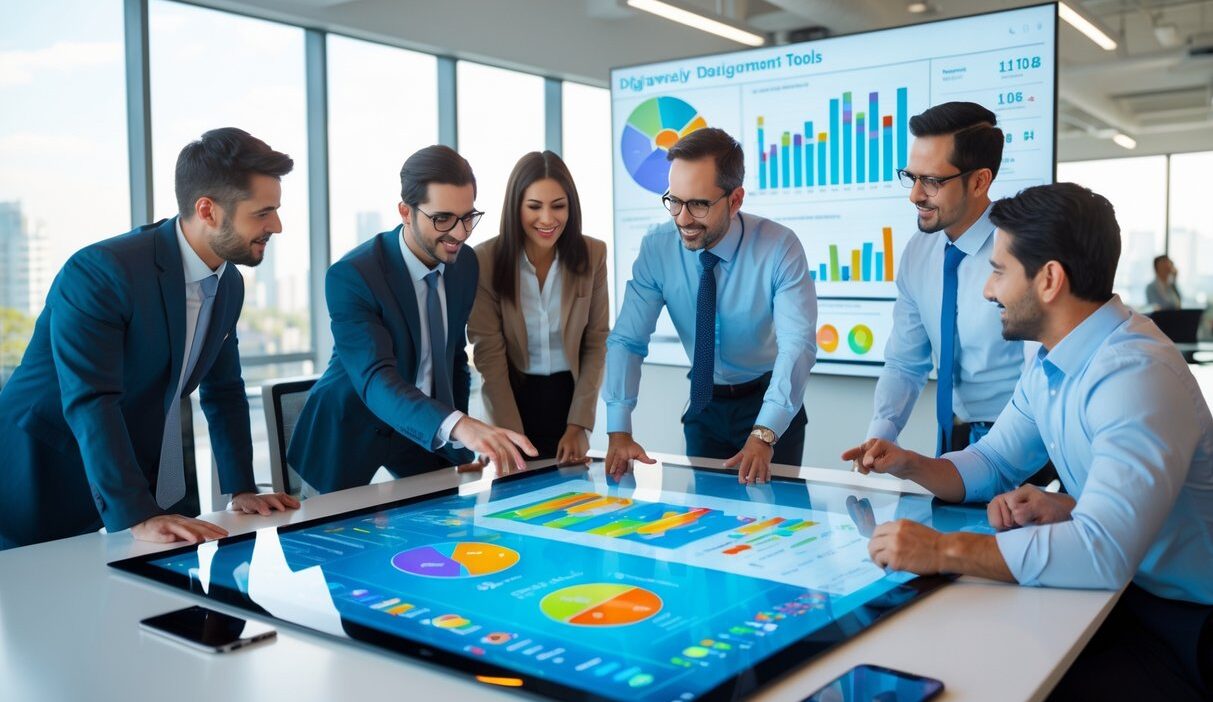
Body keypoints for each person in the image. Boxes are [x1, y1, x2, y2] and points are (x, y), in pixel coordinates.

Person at [849, 183, 1213, 701]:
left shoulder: (1135, 374)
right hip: (1130, 594)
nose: (987, 290)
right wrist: (910, 464)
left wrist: (941, 549)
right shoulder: (1051, 360)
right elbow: (995, 461)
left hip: (1188, 625)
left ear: (1049, 280)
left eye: (998, 271)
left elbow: (1101, 550)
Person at [0, 128, 301, 550]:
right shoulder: (102, 272)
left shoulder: (228, 282)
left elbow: (225, 391)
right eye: (262, 212)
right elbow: (92, 400)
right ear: (208, 210)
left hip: (124, 469)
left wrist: (242, 489)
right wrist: (137, 514)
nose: (277, 226)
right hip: (38, 469)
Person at [288, 145, 536, 494]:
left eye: (468, 217)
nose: (460, 234)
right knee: (326, 544)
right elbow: (376, 378)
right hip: (349, 430)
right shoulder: (353, 275)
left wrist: (457, 444)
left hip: (423, 432)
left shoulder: (464, 265)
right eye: (443, 219)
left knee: (444, 530)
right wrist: (460, 426)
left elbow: (452, 359)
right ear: (406, 212)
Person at [603, 128, 817, 484]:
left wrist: (764, 432)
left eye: (699, 204)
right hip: (704, 403)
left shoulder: (780, 248)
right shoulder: (658, 248)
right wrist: (618, 430)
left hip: (769, 400)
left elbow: (798, 344)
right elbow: (627, 340)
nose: (683, 219)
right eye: (675, 200)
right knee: (707, 520)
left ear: (735, 200)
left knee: (778, 522)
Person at [844, 102, 1026, 460]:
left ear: (979, 181)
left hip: (1021, 438)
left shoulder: (1021, 248)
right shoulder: (919, 251)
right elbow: (905, 361)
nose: (915, 194)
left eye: (932, 181)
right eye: (912, 177)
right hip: (952, 435)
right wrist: (882, 434)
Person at [467, 151, 609, 464]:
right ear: (515, 207)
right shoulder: (485, 261)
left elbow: (597, 342)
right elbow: (489, 355)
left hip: (569, 403)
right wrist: (508, 436)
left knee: (571, 505)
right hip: (511, 400)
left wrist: (579, 425)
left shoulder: (593, 254)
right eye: (534, 207)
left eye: (558, 206)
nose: (547, 219)